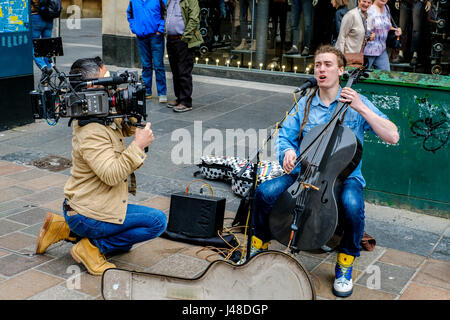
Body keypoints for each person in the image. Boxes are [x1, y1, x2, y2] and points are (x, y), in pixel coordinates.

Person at [245, 45, 399, 298]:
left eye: (327, 64)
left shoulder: (355, 103)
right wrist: (287, 152)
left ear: (340, 70)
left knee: (351, 204)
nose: (321, 69)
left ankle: (345, 263)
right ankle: (258, 247)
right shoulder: (306, 104)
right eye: (317, 64)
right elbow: (285, 136)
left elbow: (392, 135)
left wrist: (361, 107)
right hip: (305, 174)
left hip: (345, 177)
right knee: (265, 192)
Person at [35, 58, 167, 276]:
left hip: (91, 205)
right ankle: (91, 248)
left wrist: (132, 109)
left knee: (124, 245)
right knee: (156, 222)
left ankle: (61, 228)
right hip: (87, 212)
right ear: (91, 87)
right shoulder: (91, 129)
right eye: (107, 79)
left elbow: (122, 129)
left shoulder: (98, 110)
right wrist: (138, 146)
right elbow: (111, 174)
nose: (112, 82)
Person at [165, 0, 203, 113]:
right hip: (171, 40)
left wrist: (185, 37)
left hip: (183, 40)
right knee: (175, 71)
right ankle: (179, 98)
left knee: (183, 71)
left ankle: (186, 102)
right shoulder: (171, 1)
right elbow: (166, 15)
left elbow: (194, 18)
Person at [127, 0, 168, 103]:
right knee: (146, 65)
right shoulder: (133, 1)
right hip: (141, 36)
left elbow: (166, 13)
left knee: (158, 65)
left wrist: (160, 30)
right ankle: (147, 91)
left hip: (156, 36)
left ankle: (162, 93)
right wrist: (134, 28)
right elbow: (130, 14)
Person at [363, 0, 402, 71]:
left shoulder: (386, 8)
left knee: (385, 76)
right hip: (368, 50)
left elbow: (386, 25)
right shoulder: (369, 8)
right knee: (362, 75)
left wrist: (395, 30)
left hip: (382, 49)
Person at [392, 0, 431, 65]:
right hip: (404, 2)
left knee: (416, 28)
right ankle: (400, 54)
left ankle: (415, 55)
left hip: (417, 1)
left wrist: (429, 1)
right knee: (402, 27)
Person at [30, 0, 56, 75]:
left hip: (35, 17)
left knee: (33, 44)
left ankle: (43, 66)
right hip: (49, 17)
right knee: (46, 43)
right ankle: (49, 66)